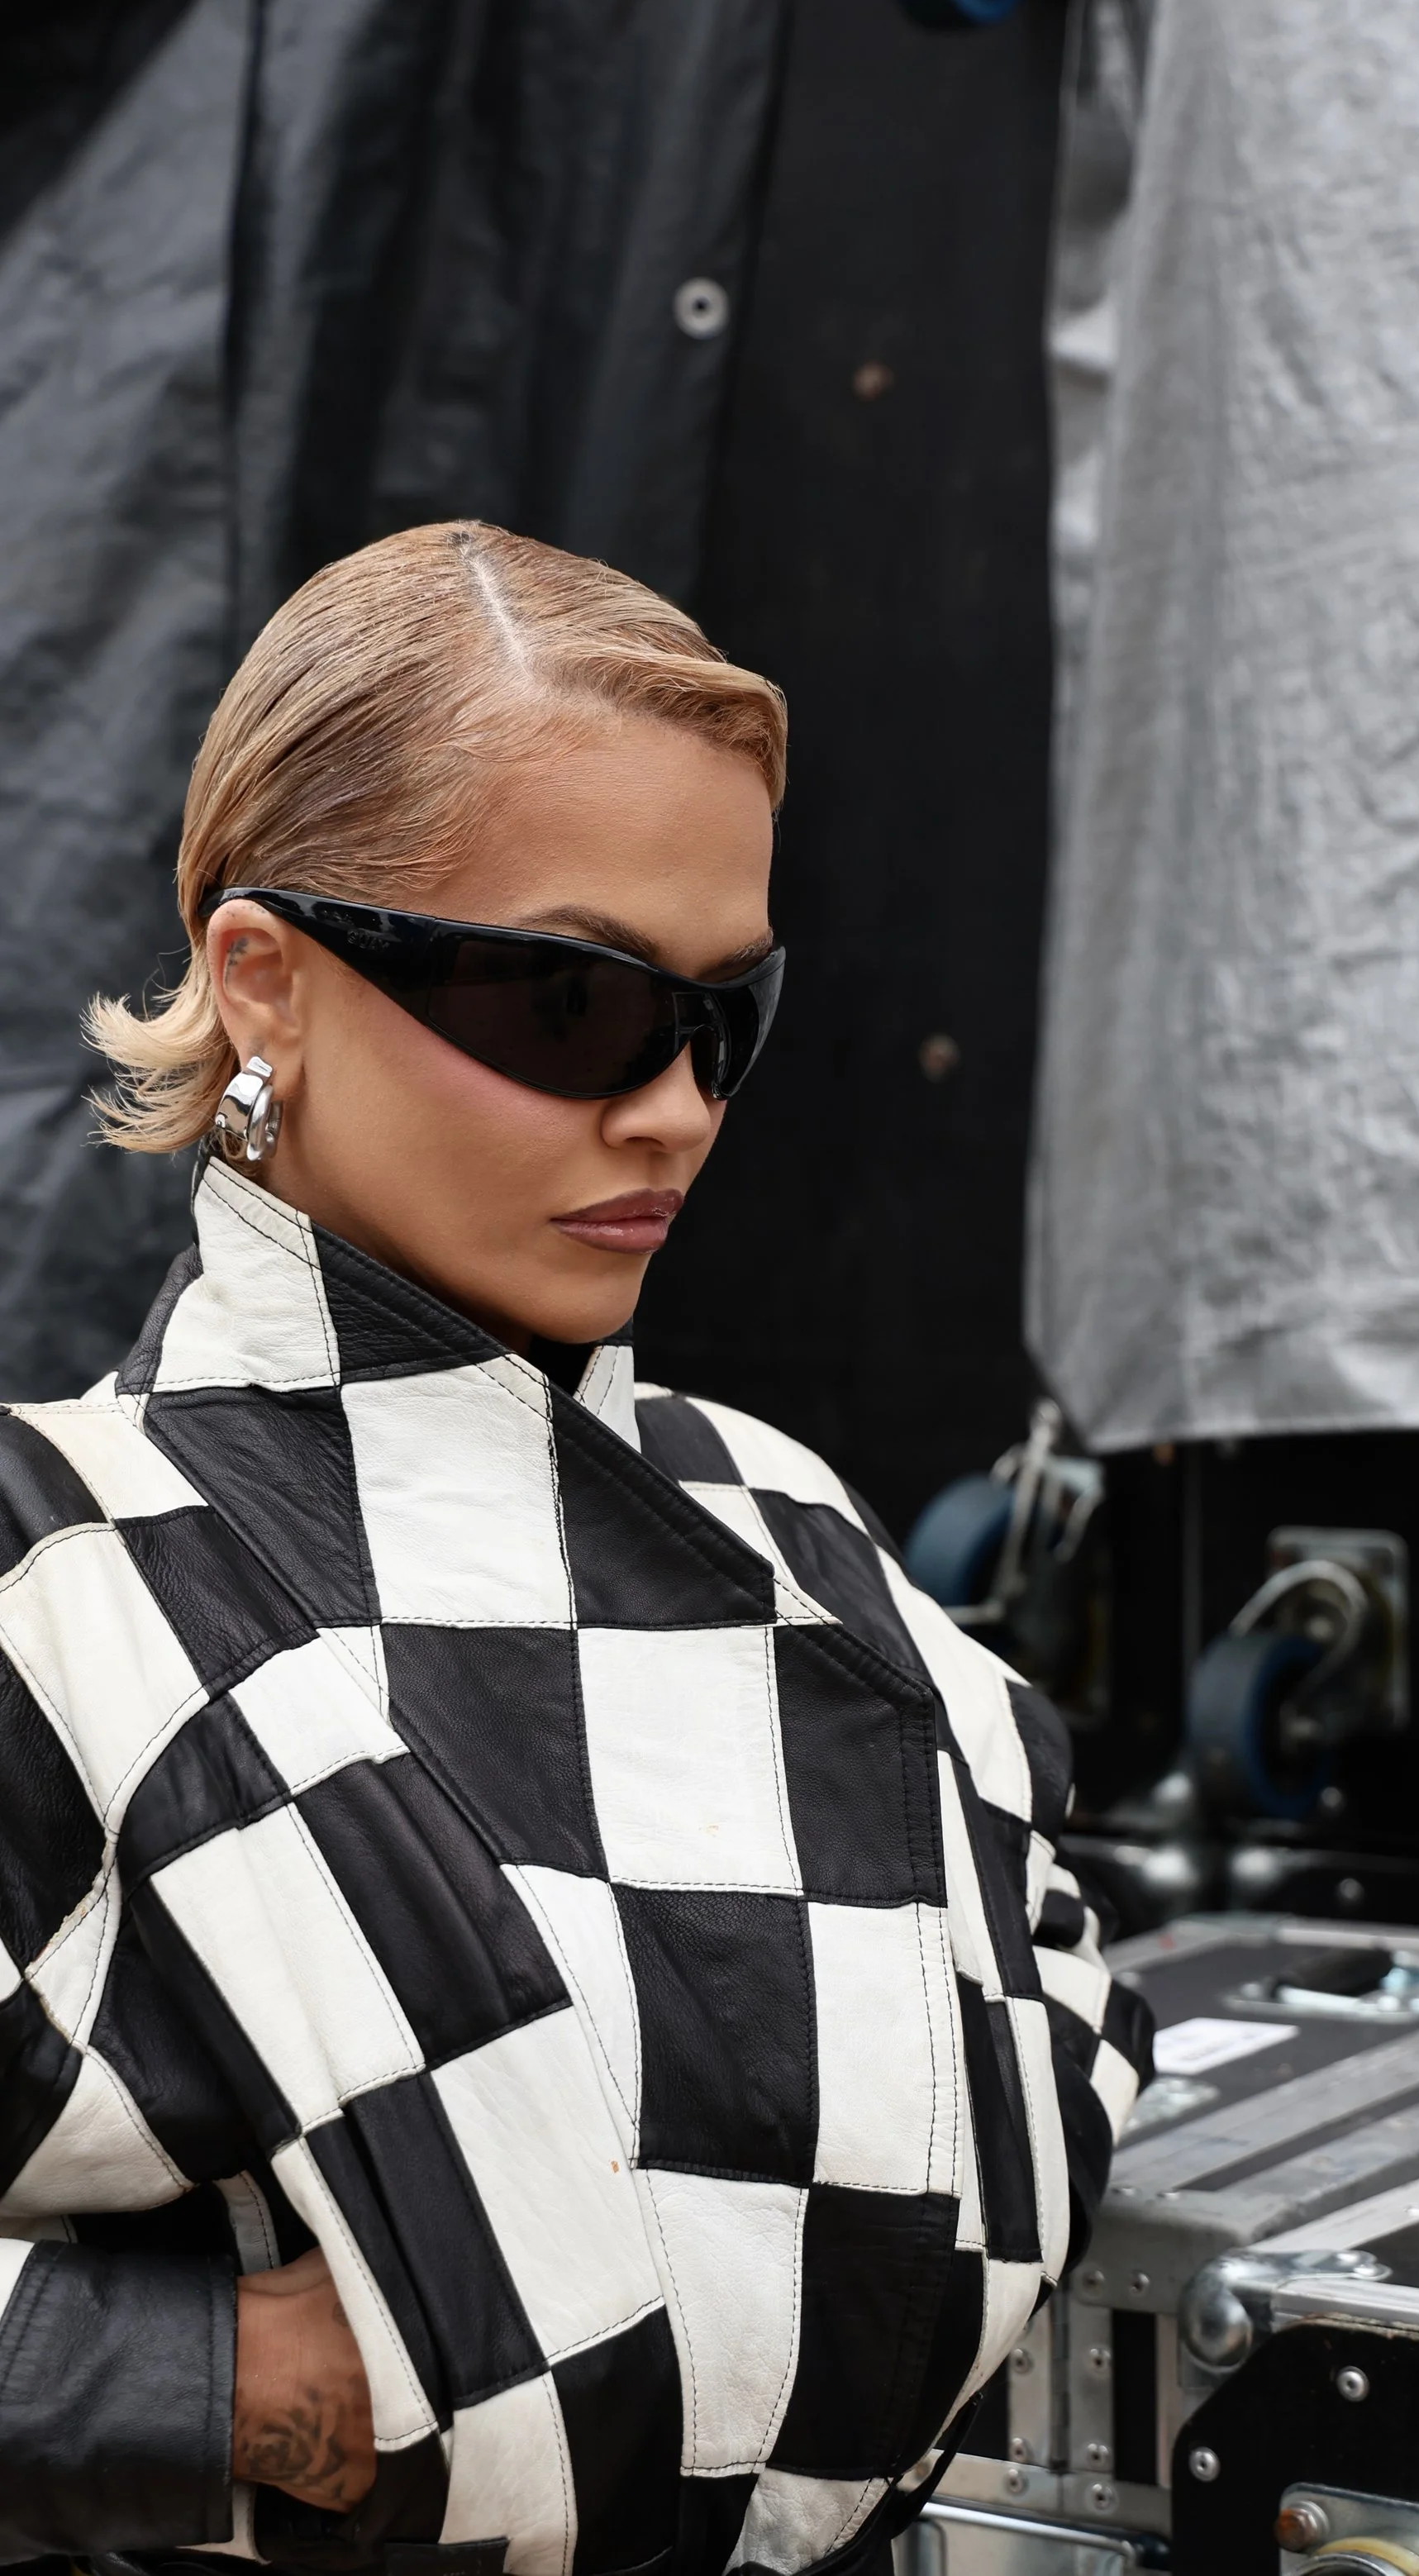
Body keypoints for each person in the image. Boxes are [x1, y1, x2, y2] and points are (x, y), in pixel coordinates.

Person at [0, 524, 1152, 2576]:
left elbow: (1061, 1977)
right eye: (572, 996)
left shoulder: (784, 1519)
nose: (675, 1113)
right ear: (264, 975)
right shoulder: (52, 1562)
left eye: (727, 1013)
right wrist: (222, 2388)